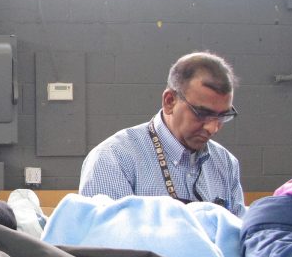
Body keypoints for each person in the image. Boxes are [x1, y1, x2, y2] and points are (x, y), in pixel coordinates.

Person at [78, 51, 246, 217]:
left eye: (222, 116)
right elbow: (108, 239)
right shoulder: (114, 159)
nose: (212, 128)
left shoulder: (226, 163)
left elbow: (239, 236)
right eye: (202, 113)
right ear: (170, 101)